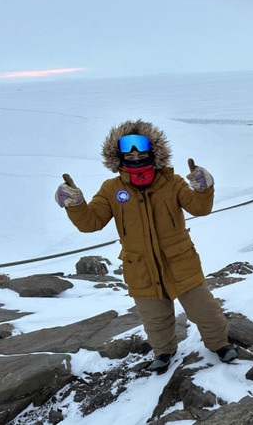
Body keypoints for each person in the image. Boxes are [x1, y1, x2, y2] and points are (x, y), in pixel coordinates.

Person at [55, 119, 236, 373]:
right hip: (140, 268)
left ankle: (220, 345)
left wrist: (204, 188)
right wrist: (75, 204)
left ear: (153, 151)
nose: (135, 155)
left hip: (181, 263)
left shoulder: (171, 183)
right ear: (118, 156)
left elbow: (200, 207)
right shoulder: (111, 189)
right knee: (155, 319)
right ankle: (164, 353)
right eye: (129, 152)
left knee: (205, 311)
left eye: (141, 150)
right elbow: (91, 222)